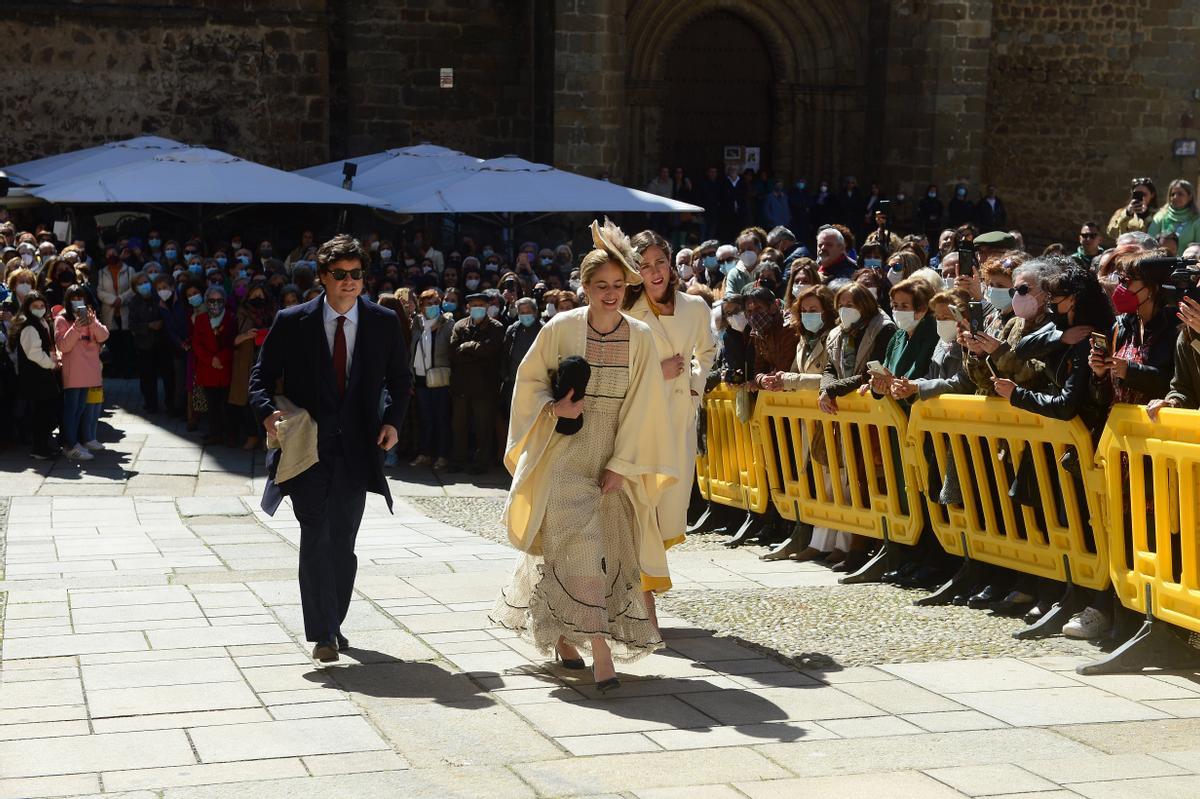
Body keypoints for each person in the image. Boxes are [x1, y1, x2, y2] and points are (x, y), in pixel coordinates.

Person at [489, 219, 676, 691]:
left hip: (615, 453)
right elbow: (528, 383)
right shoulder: (560, 327)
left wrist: (622, 463)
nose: (610, 294)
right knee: (580, 548)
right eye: (600, 286)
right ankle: (599, 650)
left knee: (609, 552)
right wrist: (553, 406)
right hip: (565, 454)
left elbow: (645, 403)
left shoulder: (640, 336)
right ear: (585, 287)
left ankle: (563, 636)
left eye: (617, 285)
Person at [250, 234, 412, 663]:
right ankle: (322, 633)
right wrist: (267, 411)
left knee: (342, 542)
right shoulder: (292, 321)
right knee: (315, 535)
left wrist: (393, 422)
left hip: (357, 450)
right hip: (307, 451)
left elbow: (401, 380)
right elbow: (260, 377)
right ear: (322, 277)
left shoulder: (381, 322)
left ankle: (334, 623)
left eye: (356, 274)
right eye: (339, 275)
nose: (349, 282)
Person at [625, 230, 718, 620]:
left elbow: (707, 352)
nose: (654, 271)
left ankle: (643, 583)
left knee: (669, 506)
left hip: (678, 417)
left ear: (671, 264)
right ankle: (639, 592)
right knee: (640, 504)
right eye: (644, 265)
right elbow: (617, 366)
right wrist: (655, 371)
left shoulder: (694, 307)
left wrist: (694, 388)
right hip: (641, 419)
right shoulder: (629, 311)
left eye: (659, 262)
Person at [759, 285, 847, 562]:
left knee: (840, 482)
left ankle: (840, 543)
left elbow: (828, 377)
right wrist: (779, 381)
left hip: (833, 416)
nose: (809, 315)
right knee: (821, 480)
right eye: (805, 310)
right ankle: (821, 540)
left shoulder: (833, 337)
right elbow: (797, 372)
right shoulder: (803, 340)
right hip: (810, 420)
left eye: (815, 310)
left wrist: (789, 380)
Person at [448, 293, 504, 474]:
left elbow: (492, 352)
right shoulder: (459, 325)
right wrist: (477, 349)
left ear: (487, 307)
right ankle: (457, 460)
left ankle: (481, 463)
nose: (477, 307)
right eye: (474, 305)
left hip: (485, 386)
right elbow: (454, 353)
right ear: (468, 307)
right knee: (459, 426)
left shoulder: (496, 327)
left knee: (483, 427)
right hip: (461, 385)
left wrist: (469, 347)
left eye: (481, 304)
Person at [54, 285, 110, 461]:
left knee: (81, 408)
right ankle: (69, 444)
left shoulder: (90, 317)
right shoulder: (62, 319)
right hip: (74, 370)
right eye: (73, 298)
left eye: (81, 298)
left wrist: (92, 323)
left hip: (89, 369)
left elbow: (103, 336)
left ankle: (78, 441)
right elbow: (63, 346)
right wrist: (76, 328)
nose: (77, 302)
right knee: (71, 409)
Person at [12, 291, 61, 458]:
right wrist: (51, 363)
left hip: (43, 374)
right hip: (36, 376)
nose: (39, 309)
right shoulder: (29, 327)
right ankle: (39, 448)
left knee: (45, 411)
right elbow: (34, 353)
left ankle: (43, 445)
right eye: (35, 306)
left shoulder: (40, 323)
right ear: (27, 308)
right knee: (42, 413)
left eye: (42, 306)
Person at [409, 288, 454, 469]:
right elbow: (412, 350)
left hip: (440, 379)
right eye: (429, 304)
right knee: (425, 419)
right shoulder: (417, 324)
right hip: (420, 379)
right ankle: (425, 454)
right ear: (422, 306)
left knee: (442, 419)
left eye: (436, 303)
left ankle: (442, 456)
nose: (433, 307)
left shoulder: (447, 323)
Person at [192, 286, 238, 446]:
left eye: (219, 300)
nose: (215, 304)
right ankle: (215, 433)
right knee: (212, 405)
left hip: (225, 368)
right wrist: (210, 359)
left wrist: (220, 358)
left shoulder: (231, 318)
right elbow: (197, 344)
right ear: (206, 301)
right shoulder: (201, 319)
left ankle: (231, 434)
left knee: (227, 405)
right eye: (211, 300)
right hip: (208, 369)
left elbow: (232, 343)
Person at [128, 271, 171, 413]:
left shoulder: (159, 297)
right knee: (147, 377)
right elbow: (132, 325)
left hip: (162, 342)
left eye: (145, 282)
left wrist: (162, 323)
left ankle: (170, 404)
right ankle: (151, 403)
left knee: (168, 375)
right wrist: (148, 326)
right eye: (139, 284)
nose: (143, 286)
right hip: (144, 344)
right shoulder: (134, 302)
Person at [1148, 178, 1200, 252]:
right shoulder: (1161, 216)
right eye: (1172, 194)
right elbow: (1149, 243)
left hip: (1188, 262)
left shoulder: (1196, 219)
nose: (1175, 197)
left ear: (1190, 197)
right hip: (1161, 261)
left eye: (1180, 194)